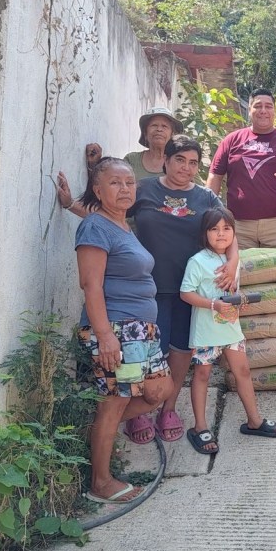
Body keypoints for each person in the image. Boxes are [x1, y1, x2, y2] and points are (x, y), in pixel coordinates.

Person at [127, 135, 239, 443]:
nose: (186, 168)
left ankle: (168, 408)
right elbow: (111, 214)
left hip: (191, 290)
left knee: (180, 351)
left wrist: (232, 263)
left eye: (193, 163)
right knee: (145, 352)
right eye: (180, 160)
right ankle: (136, 412)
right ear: (166, 159)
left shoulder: (205, 197)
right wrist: (71, 204)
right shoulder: (145, 188)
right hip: (148, 287)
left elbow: (230, 228)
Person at [74, 157, 173, 503]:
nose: (124, 189)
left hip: (142, 330)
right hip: (118, 327)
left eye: (129, 182)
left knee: (159, 390)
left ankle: (95, 432)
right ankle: (100, 483)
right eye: (115, 183)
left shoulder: (122, 225)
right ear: (98, 190)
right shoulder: (95, 227)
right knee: (115, 402)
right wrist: (105, 335)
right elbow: (90, 285)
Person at [179, 208, 276, 454]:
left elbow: (231, 292)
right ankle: (201, 427)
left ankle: (254, 421)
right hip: (206, 332)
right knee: (202, 376)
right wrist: (214, 304)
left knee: (244, 371)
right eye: (214, 229)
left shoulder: (231, 260)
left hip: (231, 329)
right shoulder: (197, 261)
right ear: (204, 234)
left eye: (227, 229)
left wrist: (239, 300)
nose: (221, 234)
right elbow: (185, 293)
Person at [206, 88, 276, 256]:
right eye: (258, 106)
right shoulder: (232, 140)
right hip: (238, 224)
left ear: (275, 111)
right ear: (249, 110)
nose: (263, 110)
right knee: (239, 275)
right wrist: (210, 211)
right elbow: (215, 175)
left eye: (268, 106)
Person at [125, 107, 183, 181]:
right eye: (154, 125)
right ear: (145, 133)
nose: (159, 129)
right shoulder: (132, 160)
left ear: (172, 135)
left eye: (164, 126)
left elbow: (198, 191)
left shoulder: (182, 161)